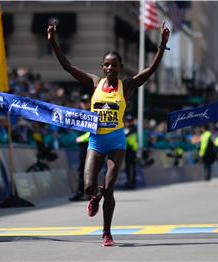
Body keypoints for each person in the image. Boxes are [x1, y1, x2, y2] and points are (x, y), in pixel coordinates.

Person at [47, 21, 170, 246]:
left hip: (116, 142)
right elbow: (68, 67)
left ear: (120, 67)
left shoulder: (127, 86)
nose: (110, 68)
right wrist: (53, 42)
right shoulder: (95, 83)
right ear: (102, 67)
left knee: (110, 186)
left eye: (114, 65)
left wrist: (162, 45)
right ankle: (95, 196)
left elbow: (150, 71)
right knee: (87, 187)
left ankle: (106, 233)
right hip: (96, 141)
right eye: (106, 65)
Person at [69, 94, 91, 201]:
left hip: (90, 146)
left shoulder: (93, 113)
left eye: (86, 101)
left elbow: (93, 131)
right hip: (83, 147)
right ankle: (82, 192)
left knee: (88, 170)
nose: (84, 104)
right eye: (83, 102)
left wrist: (80, 139)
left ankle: (87, 192)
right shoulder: (82, 114)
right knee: (82, 170)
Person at [124, 114, 138, 189]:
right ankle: (128, 181)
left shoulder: (134, 128)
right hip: (127, 150)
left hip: (132, 150)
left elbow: (127, 134)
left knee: (132, 167)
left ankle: (133, 182)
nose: (129, 122)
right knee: (128, 167)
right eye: (128, 121)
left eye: (130, 121)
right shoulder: (126, 129)